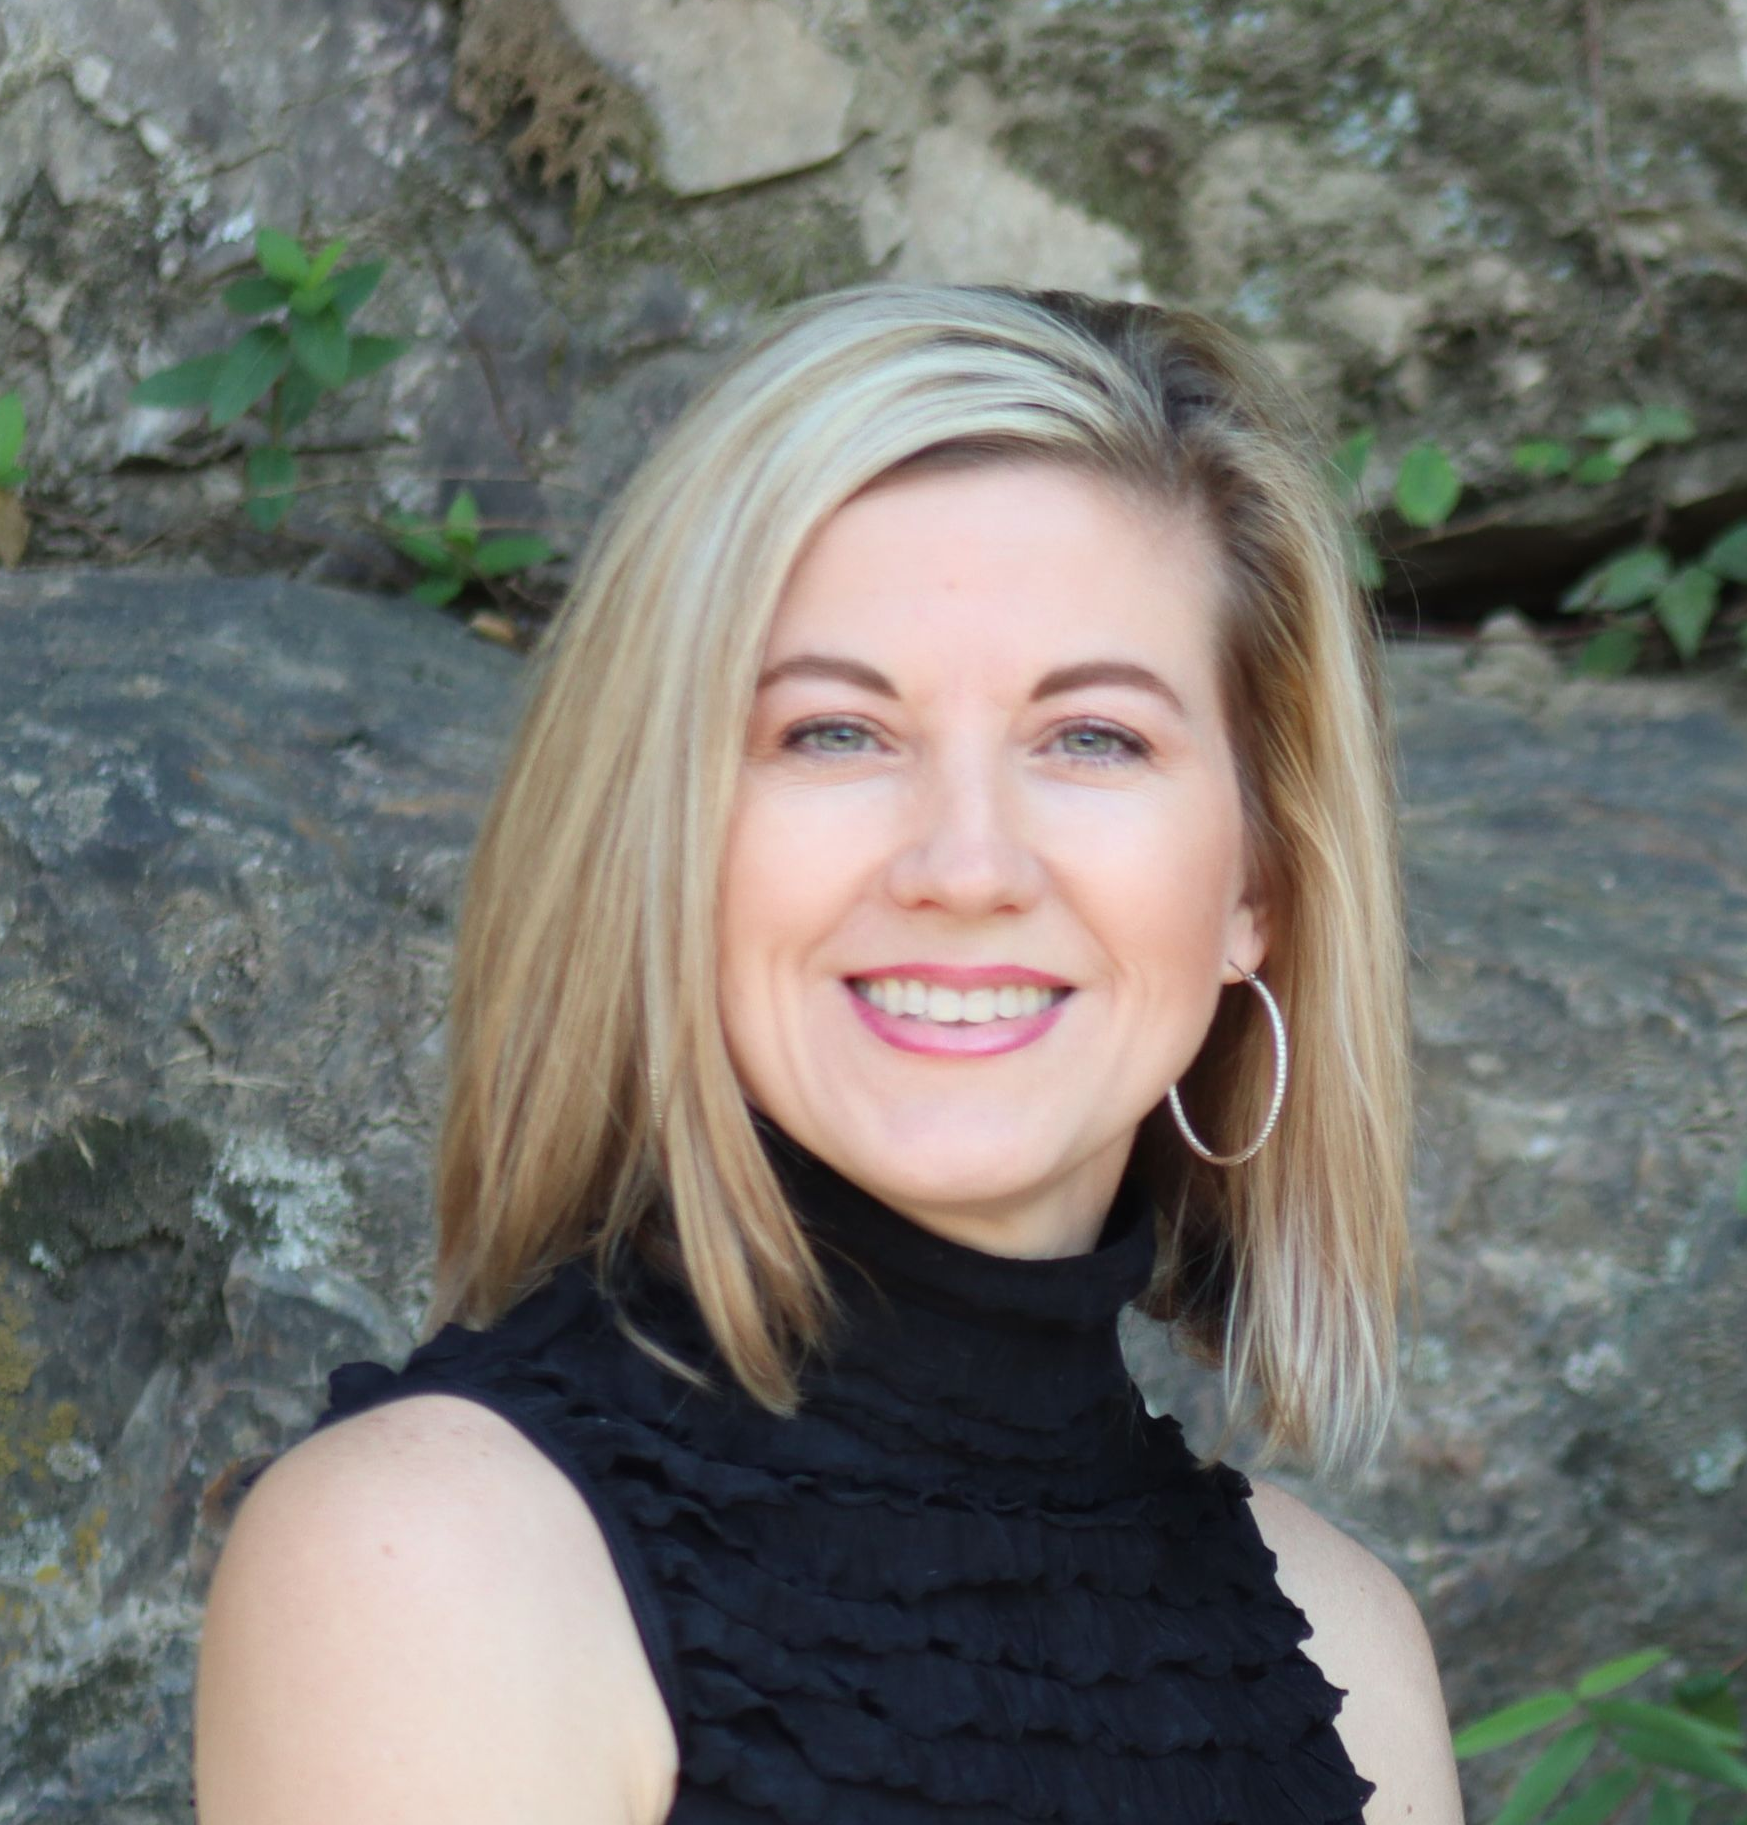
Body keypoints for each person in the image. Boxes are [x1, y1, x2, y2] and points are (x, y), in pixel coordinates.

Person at [193, 282, 1463, 1824]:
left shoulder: (1352, 1662)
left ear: (1256, 890)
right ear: (665, 837)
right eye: (835, 734)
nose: (967, 862)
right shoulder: (439, 1566)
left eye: (1094, 738)